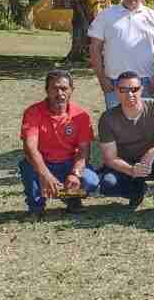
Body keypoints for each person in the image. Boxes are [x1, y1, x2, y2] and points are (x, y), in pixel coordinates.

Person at [97, 71, 154, 214]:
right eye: (124, 90)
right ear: (116, 91)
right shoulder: (107, 118)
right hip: (127, 165)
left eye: (134, 89)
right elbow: (110, 158)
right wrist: (132, 170)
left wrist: (152, 152)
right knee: (108, 184)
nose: (130, 94)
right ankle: (137, 191)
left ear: (141, 89)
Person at [18, 69, 99, 219]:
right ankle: (36, 207)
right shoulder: (33, 112)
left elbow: (83, 151)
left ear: (71, 90)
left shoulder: (81, 115)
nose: (60, 93)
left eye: (64, 88)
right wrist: (45, 175)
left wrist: (75, 174)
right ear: (47, 90)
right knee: (29, 166)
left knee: (91, 181)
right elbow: (30, 148)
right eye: (54, 88)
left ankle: (71, 198)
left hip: (69, 163)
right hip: (43, 163)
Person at [89, 0, 154, 108]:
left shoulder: (153, 16)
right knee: (117, 126)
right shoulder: (106, 15)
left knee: (145, 125)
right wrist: (102, 78)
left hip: (145, 82)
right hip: (114, 82)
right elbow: (95, 48)